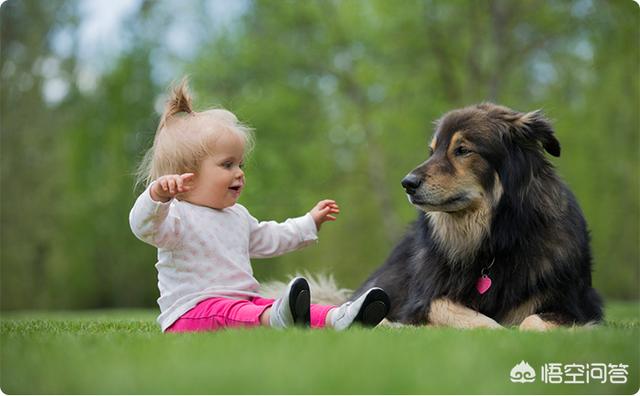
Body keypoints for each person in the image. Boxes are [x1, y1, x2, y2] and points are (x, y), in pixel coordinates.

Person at [129, 78, 389, 332]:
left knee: (266, 306)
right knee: (234, 311)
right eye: (227, 165)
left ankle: (338, 317)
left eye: (240, 165)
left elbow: (271, 236)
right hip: (192, 312)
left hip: (243, 304)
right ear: (188, 174)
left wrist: (308, 222)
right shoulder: (176, 216)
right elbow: (143, 226)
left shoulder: (237, 216)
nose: (239, 173)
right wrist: (156, 196)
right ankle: (277, 319)